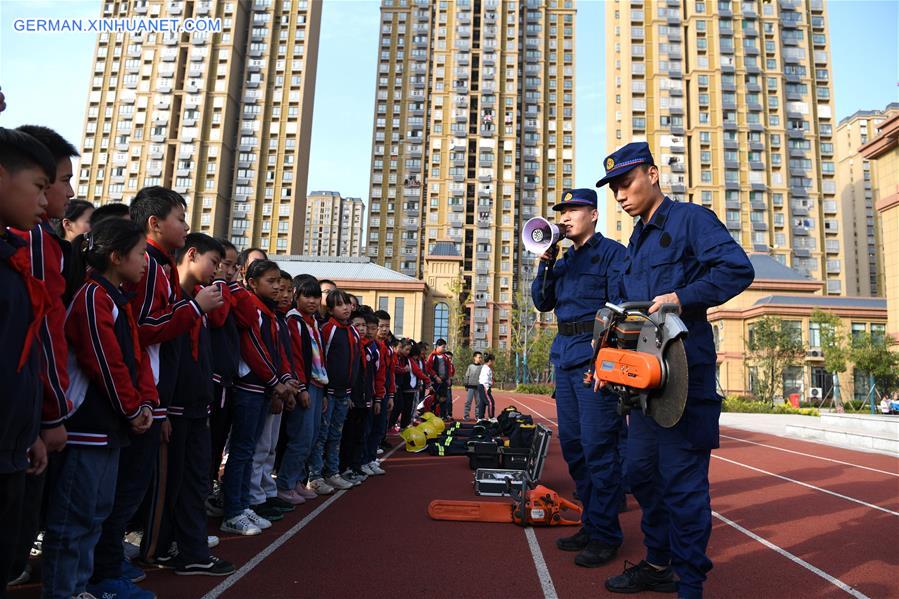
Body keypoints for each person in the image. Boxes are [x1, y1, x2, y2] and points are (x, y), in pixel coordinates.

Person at [595, 142, 754, 598]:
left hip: (684, 378)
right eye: (614, 189)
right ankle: (659, 563)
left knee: (683, 485)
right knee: (641, 473)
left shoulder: (691, 220)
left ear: (653, 173)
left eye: (627, 183)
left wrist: (683, 297)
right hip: (642, 382)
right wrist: (605, 361)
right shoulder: (637, 240)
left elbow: (736, 269)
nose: (620, 195)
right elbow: (631, 314)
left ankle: (690, 584)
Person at [90, 187, 222, 596]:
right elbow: (145, 329)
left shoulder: (157, 265)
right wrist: (196, 307)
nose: (185, 225)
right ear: (153, 223)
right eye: (180, 217)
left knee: (130, 489)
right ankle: (106, 570)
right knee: (123, 491)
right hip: (139, 399)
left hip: (150, 397)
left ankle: (110, 565)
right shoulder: (147, 264)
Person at [42, 219, 157, 599]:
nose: (145, 262)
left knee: (95, 515)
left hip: (109, 426)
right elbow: (104, 362)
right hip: (86, 425)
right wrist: (131, 408)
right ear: (116, 256)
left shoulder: (115, 297)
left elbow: (133, 358)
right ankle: (63, 591)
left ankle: (81, 587)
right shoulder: (94, 296)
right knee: (75, 518)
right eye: (141, 254)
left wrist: (141, 404)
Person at [530, 187, 628, 569]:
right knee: (573, 446)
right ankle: (592, 523)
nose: (565, 217)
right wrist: (546, 262)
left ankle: (606, 535)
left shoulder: (613, 255)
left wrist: (607, 362)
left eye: (574, 210)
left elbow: (621, 312)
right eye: (562, 211)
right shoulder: (562, 260)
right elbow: (542, 301)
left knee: (599, 447)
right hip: (565, 358)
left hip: (594, 359)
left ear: (594, 214)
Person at [8, 125, 79, 589]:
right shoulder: (30, 244)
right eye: (59, 179)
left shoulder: (42, 243)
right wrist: (50, 414)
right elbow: (42, 334)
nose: (69, 191)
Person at [149, 233, 234, 576]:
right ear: (193, 255)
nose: (218, 271)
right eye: (215, 262)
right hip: (175, 410)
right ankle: (160, 548)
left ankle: (191, 551)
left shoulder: (198, 303)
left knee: (196, 482)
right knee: (170, 485)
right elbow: (163, 357)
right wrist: (162, 408)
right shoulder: (176, 300)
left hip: (199, 408)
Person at [0, 127, 53, 593]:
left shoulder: (14, 259)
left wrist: (30, 429)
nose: (49, 197)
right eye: (40, 185)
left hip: (13, 446)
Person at [222, 260, 296, 535]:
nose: (278, 286)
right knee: (242, 452)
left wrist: (285, 379)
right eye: (271, 281)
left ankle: (243, 506)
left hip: (264, 388)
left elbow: (280, 352)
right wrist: (276, 381)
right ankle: (233, 511)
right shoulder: (251, 307)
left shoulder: (272, 313)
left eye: (279, 281)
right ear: (252, 283)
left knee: (251, 450)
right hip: (249, 389)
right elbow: (252, 348)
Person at [248, 271, 299, 523]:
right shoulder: (260, 314)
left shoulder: (279, 319)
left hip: (278, 387)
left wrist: (287, 383)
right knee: (258, 447)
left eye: (288, 289)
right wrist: (276, 384)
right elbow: (259, 352)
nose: (283, 293)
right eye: (278, 286)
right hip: (263, 388)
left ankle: (266, 492)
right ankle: (254, 498)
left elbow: (284, 356)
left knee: (269, 446)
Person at [277, 275, 329, 500]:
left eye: (317, 297)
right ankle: (285, 484)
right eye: (307, 296)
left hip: (318, 385)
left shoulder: (313, 323)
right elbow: (295, 357)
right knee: (301, 436)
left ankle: (296, 480)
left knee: (312, 436)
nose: (313, 301)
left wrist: (323, 392)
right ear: (296, 296)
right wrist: (301, 389)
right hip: (304, 386)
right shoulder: (294, 321)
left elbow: (320, 359)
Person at [307, 289, 359, 493]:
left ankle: (333, 472)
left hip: (345, 392)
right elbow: (322, 360)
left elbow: (356, 363)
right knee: (322, 434)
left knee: (337, 434)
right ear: (329, 309)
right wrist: (325, 390)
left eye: (346, 303)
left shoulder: (353, 331)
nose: (345, 307)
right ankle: (316, 476)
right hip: (328, 392)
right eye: (339, 304)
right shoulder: (327, 329)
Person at [363, 309, 395, 469]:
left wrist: (390, 395)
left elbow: (388, 373)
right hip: (371, 393)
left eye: (387, 326)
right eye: (381, 326)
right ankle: (364, 460)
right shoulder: (372, 346)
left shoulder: (386, 347)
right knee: (367, 428)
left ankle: (370, 457)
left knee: (379, 427)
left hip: (381, 393)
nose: (384, 330)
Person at [426, 339, 451, 418]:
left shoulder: (445, 357)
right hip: (435, 381)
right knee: (434, 398)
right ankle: (432, 415)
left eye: (445, 347)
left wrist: (448, 378)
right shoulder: (432, 356)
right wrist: (436, 377)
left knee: (444, 398)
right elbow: (428, 368)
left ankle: (442, 415)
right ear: (437, 346)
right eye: (443, 347)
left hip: (444, 381)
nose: (444, 349)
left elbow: (449, 368)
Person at [462, 352, 484, 421]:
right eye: (479, 357)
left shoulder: (482, 367)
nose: (480, 359)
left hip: (478, 388)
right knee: (468, 402)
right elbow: (467, 375)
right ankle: (466, 416)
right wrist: (466, 384)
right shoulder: (470, 366)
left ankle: (477, 416)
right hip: (470, 387)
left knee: (478, 403)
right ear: (474, 358)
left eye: (481, 357)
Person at [476, 353, 496, 420]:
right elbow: (485, 380)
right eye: (493, 361)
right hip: (484, 386)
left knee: (482, 402)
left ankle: (480, 418)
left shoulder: (486, 367)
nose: (493, 362)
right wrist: (487, 388)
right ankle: (491, 417)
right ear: (490, 361)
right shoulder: (486, 368)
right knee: (490, 402)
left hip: (483, 386)